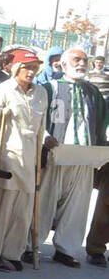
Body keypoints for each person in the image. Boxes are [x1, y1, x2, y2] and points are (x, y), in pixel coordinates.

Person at [0, 48, 51, 270]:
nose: (31, 72)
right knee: (3, 206)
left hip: (30, 159)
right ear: (17, 68)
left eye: (34, 68)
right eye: (27, 68)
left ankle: (13, 253)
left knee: (24, 208)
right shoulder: (2, 91)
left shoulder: (41, 93)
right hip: (8, 157)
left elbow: (42, 127)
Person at [35, 48, 106, 267]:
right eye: (76, 59)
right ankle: (32, 245)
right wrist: (45, 138)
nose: (82, 63)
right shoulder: (49, 88)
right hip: (56, 154)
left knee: (77, 206)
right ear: (63, 64)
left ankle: (66, 249)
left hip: (83, 157)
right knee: (44, 201)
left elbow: (101, 123)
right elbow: (37, 119)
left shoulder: (93, 92)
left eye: (85, 60)